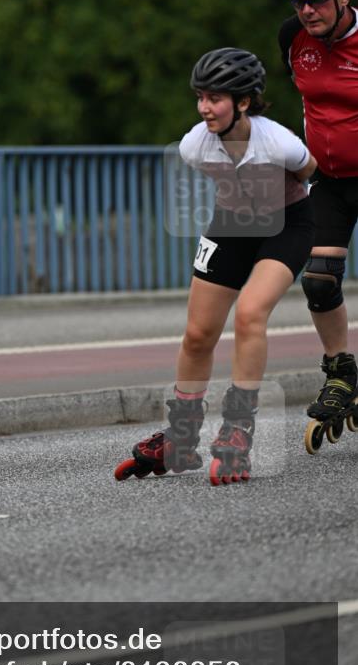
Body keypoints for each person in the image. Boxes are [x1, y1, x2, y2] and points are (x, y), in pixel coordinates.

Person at [115, 47, 316, 485]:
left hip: (288, 223)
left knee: (249, 315)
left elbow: (307, 171)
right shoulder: (193, 144)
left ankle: (238, 430)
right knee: (198, 332)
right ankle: (182, 435)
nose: (205, 107)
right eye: (200, 97)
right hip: (232, 221)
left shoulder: (277, 141)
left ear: (243, 102)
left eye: (215, 98)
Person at [279, 0, 358, 451]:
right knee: (318, 279)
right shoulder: (292, 40)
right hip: (330, 178)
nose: (308, 11)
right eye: (298, 2)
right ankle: (341, 374)